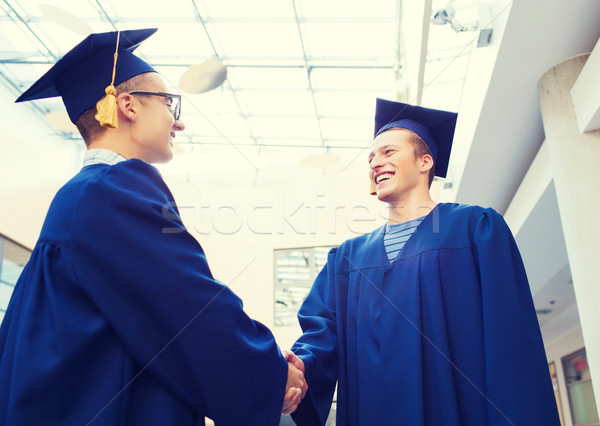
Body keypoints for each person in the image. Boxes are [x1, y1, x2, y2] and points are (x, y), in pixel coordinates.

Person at [0, 28, 306, 425]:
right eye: (170, 105)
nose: (179, 124)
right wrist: (269, 370)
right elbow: (186, 306)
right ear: (127, 105)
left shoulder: (79, 195)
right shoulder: (115, 189)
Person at [285, 98, 561, 425]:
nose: (375, 163)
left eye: (388, 152)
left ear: (424, 161)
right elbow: (322, 333)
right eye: (371, 157)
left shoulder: (475, 231)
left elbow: (510, 344)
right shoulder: (347, 258)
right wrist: (297, 371)